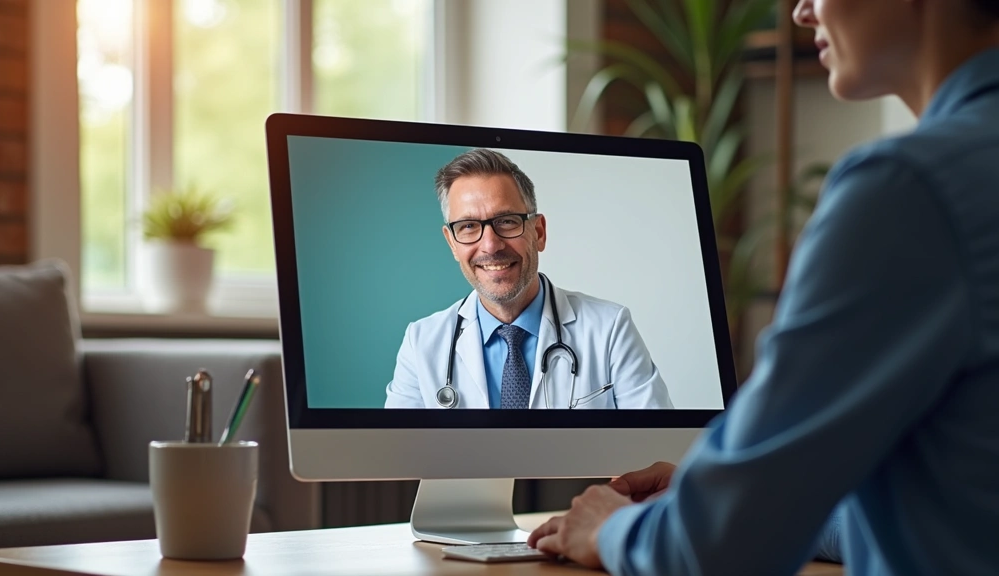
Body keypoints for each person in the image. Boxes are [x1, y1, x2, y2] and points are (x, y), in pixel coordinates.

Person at [528, 0, 999, 573]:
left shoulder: (907, 191)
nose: (802, 11)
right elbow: (958, 507)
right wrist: (739, 500)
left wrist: (613, 531)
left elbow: (721, 546)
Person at [384, 148, 673, 409]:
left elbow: (652, 453)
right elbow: (396, 461)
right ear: (452, 244)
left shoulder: (610, 329)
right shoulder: (421, 343)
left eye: (507, 221)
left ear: (538, 232)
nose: (490, 245)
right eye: (469, 226)